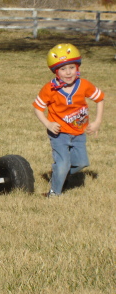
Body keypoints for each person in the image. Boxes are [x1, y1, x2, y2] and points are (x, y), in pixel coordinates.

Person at [33, 43, 105, 197]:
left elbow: (100, 99)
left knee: (82, 163)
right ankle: (54, 193)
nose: (68, 72)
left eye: (71, 67)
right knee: (63, 163)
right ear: (56, 71)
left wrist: (97, 121)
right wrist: (48, 123)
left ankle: (60, 173)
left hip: (79, 132)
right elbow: (38, 108)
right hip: (59, 134)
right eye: (63, 69)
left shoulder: (84, 85)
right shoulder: (49, 89)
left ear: (77, 67)